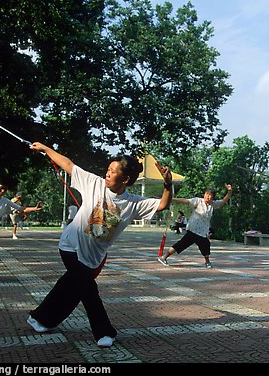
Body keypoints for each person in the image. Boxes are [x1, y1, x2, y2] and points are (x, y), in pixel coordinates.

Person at [26, 142, 173, 348]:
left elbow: (163, 204)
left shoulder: (133, 203)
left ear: (126, 179)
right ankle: (104, 332)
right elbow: (68, 164)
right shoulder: (93, 183)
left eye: (113, 172)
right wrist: (46, 149)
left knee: (71, 287)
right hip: (70, 246)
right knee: (88, 291)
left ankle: (40, 318)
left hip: (93, 257)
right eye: (108, 170)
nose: (107, 174)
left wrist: (168, 184)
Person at [158, 184, 232, 268]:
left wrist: (229, 191)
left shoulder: (213, 204)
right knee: (181, 244)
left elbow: (223, 201)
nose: (208, 196)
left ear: (213, 197)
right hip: (193, 230)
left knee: (206, 246)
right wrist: (172, 199)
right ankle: (164, 257)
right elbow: (186, 201)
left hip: (203, 232)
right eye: (206, 194)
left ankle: (207, 262)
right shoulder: (198, 201)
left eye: (210, 195)